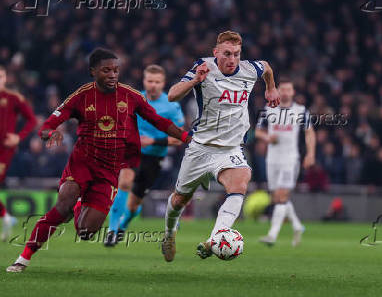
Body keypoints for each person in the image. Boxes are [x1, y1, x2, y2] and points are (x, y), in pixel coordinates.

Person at [6, 48, 191, 272]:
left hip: (109, 170)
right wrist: (48, 132)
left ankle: (77, 207)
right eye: (106, 70)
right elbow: (52, 121)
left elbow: (158, 121)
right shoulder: (81, 96)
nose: (113, 74)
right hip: (82, 163)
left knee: (85, 232)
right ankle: (23, 258)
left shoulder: (130, 96)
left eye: (115, 70)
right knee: (61, 206)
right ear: (93, 71)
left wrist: (184, 136)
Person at [161, 30, 280, 262]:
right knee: (179, 200)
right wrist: (196, 79)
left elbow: (266, 67)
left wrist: (271, 88)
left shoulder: (249, 69)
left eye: (236, 54)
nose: (232, 59)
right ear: (216, 52)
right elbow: (172, 95)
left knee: (241, 181)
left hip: (231, 149)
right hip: (201, 148)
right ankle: (169, 234)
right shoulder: (203, 66)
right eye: (226, 54)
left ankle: (215, 238)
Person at [104, 64, 184, 246]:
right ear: (144, 81)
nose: (153, 85)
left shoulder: (172, 105)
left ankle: (123, 225)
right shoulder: (132, 98)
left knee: (133, 206)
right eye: (150, 81)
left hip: (154, 158)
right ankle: (112, 230)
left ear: (163, 83)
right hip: (131, 152)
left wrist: (153, 141)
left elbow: (179, 138)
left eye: (157, 82)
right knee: (123, 183)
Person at [256, 81, 315, 247]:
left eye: (289, 89)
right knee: (277, 198)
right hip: (272, 159)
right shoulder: (268, 110)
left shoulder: (301, 111)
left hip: (290, 159)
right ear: (277, 91)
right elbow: (258, 131)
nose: (285, 92)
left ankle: (272, 235)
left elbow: (310, 132)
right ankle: (297, 226)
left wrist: (310, 154)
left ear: (293, 91)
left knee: (282, 196)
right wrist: (267, 138)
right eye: (282, 89)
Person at [0, 65, 37, 241]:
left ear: (5, 78)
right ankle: (7, 217)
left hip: (4, 149)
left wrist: (18, 137)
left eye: (1, 76)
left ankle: (6, 217)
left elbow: (31, 119)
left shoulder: (13, 98)